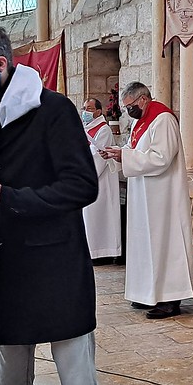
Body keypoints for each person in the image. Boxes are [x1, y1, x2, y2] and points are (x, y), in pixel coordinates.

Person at [0, 23, 102, 385]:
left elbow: (82, 186)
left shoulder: (53, 109)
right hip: (11, 265)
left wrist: (11, 197)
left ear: (0, 63)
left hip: (56, 263)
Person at [100, 82, 193, 319]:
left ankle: (170, 298)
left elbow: (161, 158)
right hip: (144, 195)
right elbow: (135, 150)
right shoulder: (139, 122)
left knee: (165, 245)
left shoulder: (163, 120)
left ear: (143, 100)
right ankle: (148, 294)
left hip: (163, 197)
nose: (127, 111)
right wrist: (117, 153)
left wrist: (127, 155)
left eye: (130, 106)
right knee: (145, 245)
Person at [81, 97, 121, 263]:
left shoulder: (103, 130)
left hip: (100, 181)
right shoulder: (86, 128)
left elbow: (99, 156)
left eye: (89, 109)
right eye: (84, 108)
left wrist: (85, 175)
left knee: (100, 217)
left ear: (98, 111)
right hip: (87, 178)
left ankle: (102, 253)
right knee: (89, 218)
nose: (85, 112)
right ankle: (91, 252)